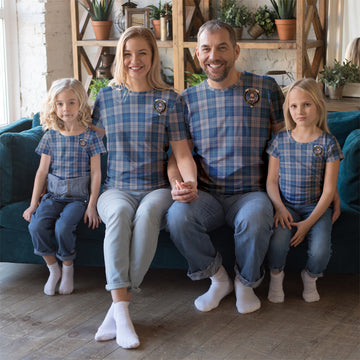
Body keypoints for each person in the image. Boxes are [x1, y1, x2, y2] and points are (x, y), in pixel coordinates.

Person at [166, 20, 285, 315]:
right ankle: (219, 280)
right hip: (206, 194)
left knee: (257, 219)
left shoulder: (266, 88)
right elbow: (175, 157)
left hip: (251, 193)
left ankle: (245, 283)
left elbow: (287, 144)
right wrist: (176, 185)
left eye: (222, 47)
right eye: (206, 48)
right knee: (177, 217)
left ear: (236, 50)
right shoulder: (187, 99)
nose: (213, 56)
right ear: (198, 53)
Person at [92, 27, 197, 349]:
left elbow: (181, 152)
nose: (134, 60)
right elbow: (91, 149)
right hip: (115, 188)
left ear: (153, 57)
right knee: (121, 213)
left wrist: (190, 182)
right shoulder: (106, 97)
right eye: (127, 53)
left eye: (142, 53)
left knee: (150, 211)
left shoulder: (169, 100)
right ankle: (122, 311)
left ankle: (117, 308)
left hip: (155, 188)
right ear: (120, 57)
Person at [23, 78, 106, 296]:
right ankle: (53, 269)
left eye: (71, 103)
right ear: (54, 106)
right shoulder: (50, 136)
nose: (65, 109)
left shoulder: (90, 137)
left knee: (63, 228)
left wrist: (92, 206)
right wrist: (34, 204)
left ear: (81, 104)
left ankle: (68, 269)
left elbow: (97, 173)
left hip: (79, 198)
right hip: (53, 196)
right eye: (59, 104)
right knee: (36, 226)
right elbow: (42, 172)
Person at [266, 78, 343, 303]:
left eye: (306, 104)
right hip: (286, 207)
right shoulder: (280, 140)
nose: (300, 111)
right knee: (278, 244)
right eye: (294, 106)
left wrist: (308, 223)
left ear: (318, 105)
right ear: (288, 109)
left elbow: (329, 190)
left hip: (316, 208)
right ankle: (275, 277)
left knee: (320, 252)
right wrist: (279, 208)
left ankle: (310, 277)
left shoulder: (329, 143)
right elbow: (271, 181)